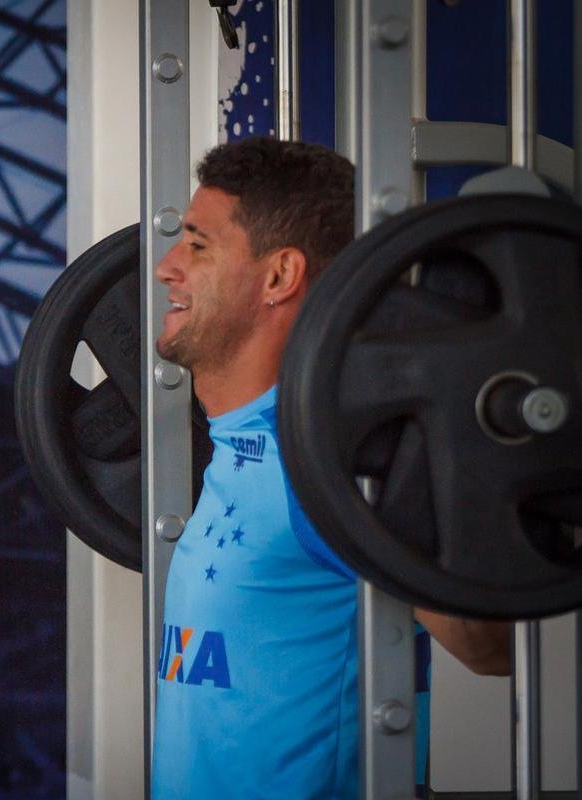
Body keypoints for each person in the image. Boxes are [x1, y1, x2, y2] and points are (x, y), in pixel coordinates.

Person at [150, 137, 511, 799]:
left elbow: (491, 648)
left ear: (278, 277)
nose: (165, 268)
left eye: (197, 246)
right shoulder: (240, 441)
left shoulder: (329, 462)